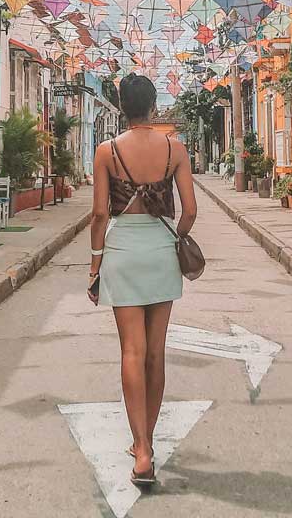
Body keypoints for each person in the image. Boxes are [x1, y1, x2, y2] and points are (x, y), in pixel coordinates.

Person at [88, 74, 197, 489]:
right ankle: (147, 440)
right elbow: (189, 210)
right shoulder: (175, 149)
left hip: (121, 251)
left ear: (121, 106)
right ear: (152, 106)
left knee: (131, 352)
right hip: (160, 249)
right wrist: (176, 237)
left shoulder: (107, 151)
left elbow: (99, 214)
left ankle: (142, 450)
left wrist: (95, 264)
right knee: (155, 352)